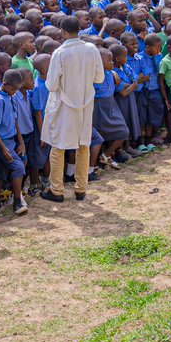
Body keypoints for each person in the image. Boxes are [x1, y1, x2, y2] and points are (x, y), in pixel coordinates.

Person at [39, 16, 105, 203]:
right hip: (85, 102)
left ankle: (56, 190)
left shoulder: (60, 53)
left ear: (63, 32)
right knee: (83, 145)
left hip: (63, 105)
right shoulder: (91, 49)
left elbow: (51, 85)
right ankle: (81, 188)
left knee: (58, 147)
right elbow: (99, 78)